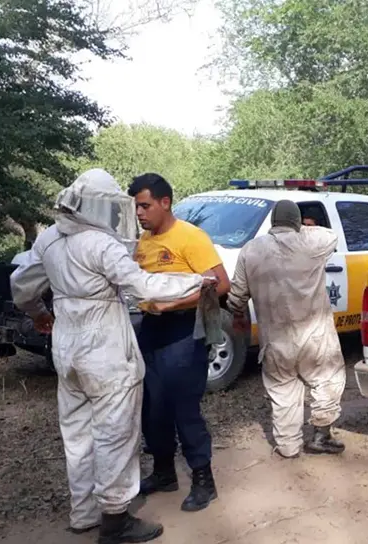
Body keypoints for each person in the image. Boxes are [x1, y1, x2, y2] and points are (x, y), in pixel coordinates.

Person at [10, 168, 212, 544]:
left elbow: (20, 285)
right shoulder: (101, 244)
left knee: (77, 435)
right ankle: (116, 521)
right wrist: (195, 280)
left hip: (66, 348)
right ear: (95, 207)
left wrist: (39, 312)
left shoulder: (49, 240)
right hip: (105, 349)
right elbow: (145, 284)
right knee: (115, 434)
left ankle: (83, 513)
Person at [128, 173, 231, 512]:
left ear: (164, 202)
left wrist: (174, 305)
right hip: (150, 329)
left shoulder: (190, 237)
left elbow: (221, 284)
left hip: (184, 332)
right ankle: (163, 472)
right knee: (152, 406)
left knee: (183, 407)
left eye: (145, 206)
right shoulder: (144, 241)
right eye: (136, 207)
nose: (140, 213)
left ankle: (204, 479)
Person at [227, 200, 347, 459]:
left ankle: (288, 446)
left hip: (275, 339)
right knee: (327, 380)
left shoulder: (250, 250)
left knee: (283, 392)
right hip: (315, 336)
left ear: (272, 222)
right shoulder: (312, 243)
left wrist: (237, 313)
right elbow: (332, 235)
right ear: (297, 222)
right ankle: (321, 435)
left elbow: (236, 297)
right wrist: (302, 229)